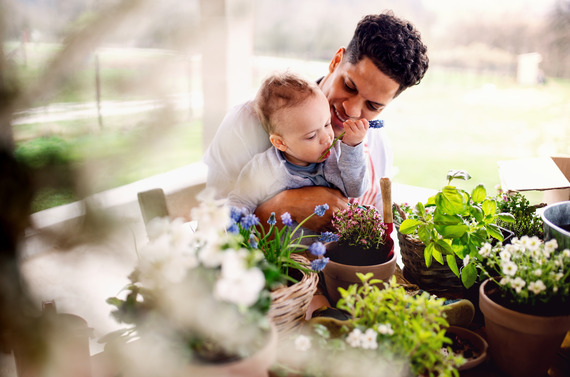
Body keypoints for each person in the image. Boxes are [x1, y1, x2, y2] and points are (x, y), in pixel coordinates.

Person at [204, 11, 429, 314]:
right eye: (349, 86)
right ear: (336, 60)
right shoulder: (248, 125)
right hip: (271, 298)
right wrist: (283, 205)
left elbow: (377, 233)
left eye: (373, 106)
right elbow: (216, 227)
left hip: (346, 291)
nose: (351, 110)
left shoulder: (375, 145)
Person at [227, 72, 370, 215]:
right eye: (311, 136)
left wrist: (352, 148)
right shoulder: (263, 168)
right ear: (280, 143)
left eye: (327, 124)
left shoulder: (339, 155)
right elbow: (239, 203)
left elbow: (356, 189)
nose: (326, 138)